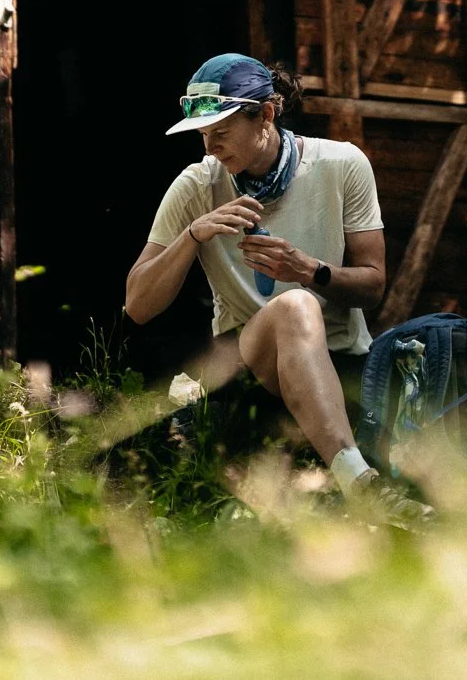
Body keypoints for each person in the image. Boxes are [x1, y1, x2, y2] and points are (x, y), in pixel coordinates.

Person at [125, 52, 388, 499]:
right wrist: (192, 236)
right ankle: (360, 483)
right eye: (203, 135)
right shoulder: (197, 185)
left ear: (265, 114)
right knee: (294, 307)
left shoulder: (342, 164)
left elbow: (374, 285)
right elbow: (137, 306)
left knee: (300, 300)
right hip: (248, 359)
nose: (209, 148)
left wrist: (308, 270)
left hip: (340, 356)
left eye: (221, 133)